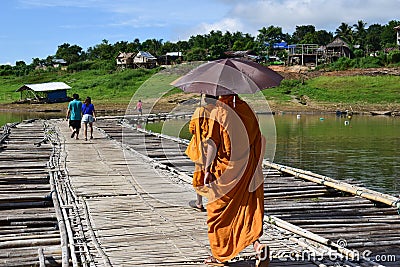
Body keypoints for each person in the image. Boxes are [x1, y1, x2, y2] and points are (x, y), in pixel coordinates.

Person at [200, 94, 268, 266]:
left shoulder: (219, 112)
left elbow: (213, 144)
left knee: (216, 214)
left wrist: (207, 169)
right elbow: (259, 139)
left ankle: (219, 255)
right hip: (247, 167)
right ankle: (258, 247)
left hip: (225, 171)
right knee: (247, 209)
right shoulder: (247, 109)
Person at [185, 95, 217, 212]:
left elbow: (192, 129)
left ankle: (199, 202)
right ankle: (213, 202)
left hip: (201, 148)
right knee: (214, 174)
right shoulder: (218, 112)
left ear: (205, 99)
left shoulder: (200, 110)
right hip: (215, 148)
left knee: (199, 175)